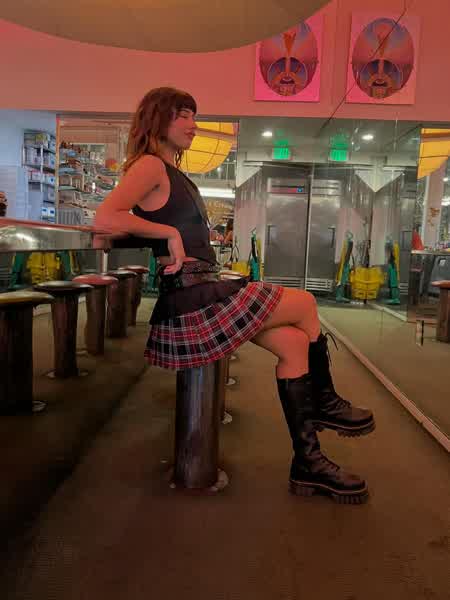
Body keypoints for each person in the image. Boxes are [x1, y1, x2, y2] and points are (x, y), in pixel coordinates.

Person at [94, 87, 375, 504]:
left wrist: (163, 233)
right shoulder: (150, 165)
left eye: (194, 115)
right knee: (306, 303)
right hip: (194, 297)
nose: (193, 125)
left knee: (294, 344)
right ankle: (324, 401)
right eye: (184, 114)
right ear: (158, 118)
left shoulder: (169, 170)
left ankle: (309, 462)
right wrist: (167, 233)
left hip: (205, 288)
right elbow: (105, 216)